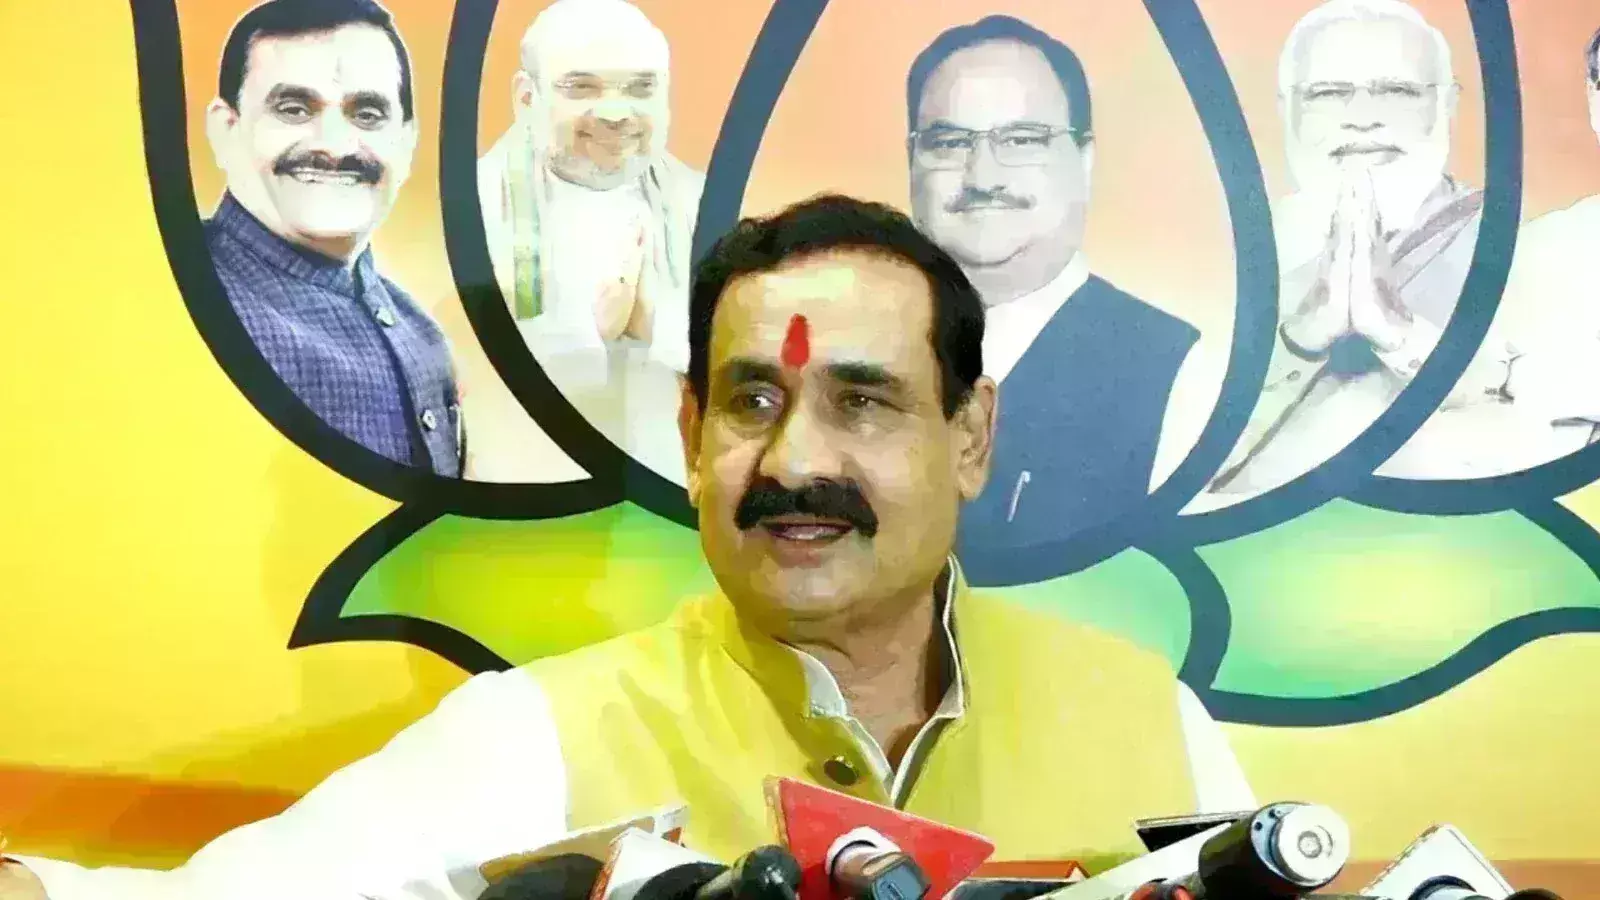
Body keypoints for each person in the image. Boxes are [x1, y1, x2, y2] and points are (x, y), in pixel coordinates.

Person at [0, 195, 1255, 900]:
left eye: (861, 401)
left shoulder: (1150, 726)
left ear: (969, 436)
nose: (793, 462)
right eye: (751, 402)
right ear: (692, 433)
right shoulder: (539, 740)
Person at [1197, 0, 1573, 505]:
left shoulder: (1534, 249)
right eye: (1329, 93)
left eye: (1396, 91)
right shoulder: (1231, 256)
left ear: (1447, 105)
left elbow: (1550, 447)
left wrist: (1400, 335)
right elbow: (1176, 460)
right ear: (1286, 109)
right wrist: (1301, 338)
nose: (1362, 119)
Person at [904, 16, 1203, 582]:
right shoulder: (856, 345)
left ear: (1085, 161)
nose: (982, 175)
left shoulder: (1181, 373)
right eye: (950, 142)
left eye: (1022, 140)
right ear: (912, 160)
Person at [203, 0, 464, 477]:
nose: (335, 146)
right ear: (226, 131)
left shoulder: (423, 333)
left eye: (367, 114)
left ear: (407, 142)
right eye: (294, 109)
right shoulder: (179, 300)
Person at [476, 0, 703, 484]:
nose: (616, 114)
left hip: (671, 496)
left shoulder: (701, 203)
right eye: (582, 87)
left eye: (641, 88)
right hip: (525, 495)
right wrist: (589, 331)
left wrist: (655, 328)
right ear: (527, 98)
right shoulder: (472, 209)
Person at [1487, 23, 1600, 453]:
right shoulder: (1536, 249)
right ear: (1594, 101)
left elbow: (1529, 385)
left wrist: (1539, 375)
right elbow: (1483, 384)